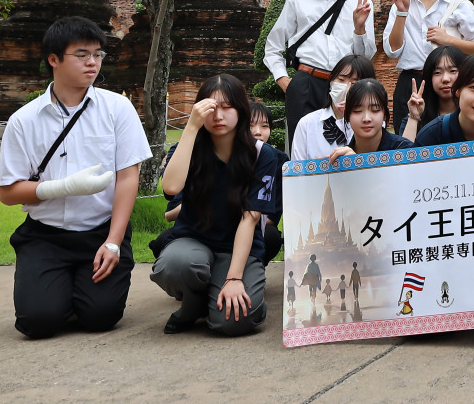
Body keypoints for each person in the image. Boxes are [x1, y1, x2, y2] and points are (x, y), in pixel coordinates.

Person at [0, 17, 151, 339]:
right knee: (37, 323)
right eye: (81, 54)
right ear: (54, 59)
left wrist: (113, 241)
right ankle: (53, 295)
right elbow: (8, 193)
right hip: (46, 236)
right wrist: (62, 188)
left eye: (97, 54)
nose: (92, 62)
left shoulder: (117, 108)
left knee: (101, 317)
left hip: (100, 232)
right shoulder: (23, 121)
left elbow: (128, 177)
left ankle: (74, 292)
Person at [152, 73, 281, 336]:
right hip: (194, 242)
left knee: (233, 322)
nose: (218, 116)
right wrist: (190, 127)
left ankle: (240, 299)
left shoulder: (262, 155)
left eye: (227, 107)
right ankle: (194, 303)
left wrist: (234, 278)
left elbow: (250, 219)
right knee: (175, 265)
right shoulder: (190, 147)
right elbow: (171, 187)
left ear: (241, 111)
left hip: (237, 249)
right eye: (211, 108)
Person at [262, 0, 377, 144]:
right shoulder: (297, 1)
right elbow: (273, 46)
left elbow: (365, 57)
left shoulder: (361, 3)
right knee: (302, 149)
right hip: (306, 82)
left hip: (347, 85)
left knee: (348, 146)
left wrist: (359, 27)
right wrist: (283, 80)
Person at [382, 0, 474, 133]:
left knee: (451, 142)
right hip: (411, 83)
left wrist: (449, 41)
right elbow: (392, 51)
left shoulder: (459, 5)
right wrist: (402, 12)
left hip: (448, 85)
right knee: (407, 146)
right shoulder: (400, 5)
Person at [288, 55, 376, 162]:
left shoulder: (374, 123)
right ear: (330, 82)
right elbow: (297, 170)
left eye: (354, 83)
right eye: (341, 80)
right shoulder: (307, 124)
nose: (346, 87)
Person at [324, 79, 413, 161]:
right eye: (357, 111)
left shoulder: (405, 151)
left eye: (375, 110)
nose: (366, 118)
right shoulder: (342, 159)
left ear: (385, 114)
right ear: (346, 114)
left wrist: (357, 164)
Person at [246, 103, 285, 265]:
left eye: (264, 126)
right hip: (226, 227)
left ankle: (254, 268)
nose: (258, 132)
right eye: (250, 125)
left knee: (271, 236)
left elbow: (272, 217)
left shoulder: (280, 160)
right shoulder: (230, 155)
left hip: (259, 225)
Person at [408, 44, 465, 138]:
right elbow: (405, 151)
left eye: (453, 71)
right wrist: (414, 117)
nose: (445, 79)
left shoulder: (472, 113)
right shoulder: (417, 113)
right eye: (437, 73)